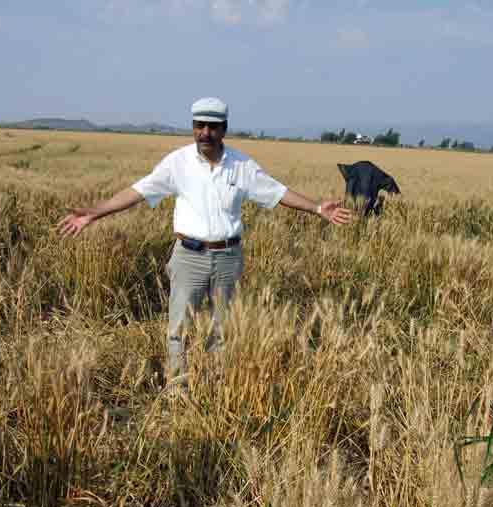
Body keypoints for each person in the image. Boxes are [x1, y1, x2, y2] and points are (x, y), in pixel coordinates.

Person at [59, 97, 352, 383]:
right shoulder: (178, 163)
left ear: (224, 128)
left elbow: (277, 192)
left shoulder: (242, 165)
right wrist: (94, 213)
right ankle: (178, 390)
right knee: (179, 329)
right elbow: (137, 191)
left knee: (222, 329)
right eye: (200, 125)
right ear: (193, 126)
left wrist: (316, 208)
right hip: (189, 257)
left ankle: (215, 387)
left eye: (213, 126)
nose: (205, 133)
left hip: (228, 258)